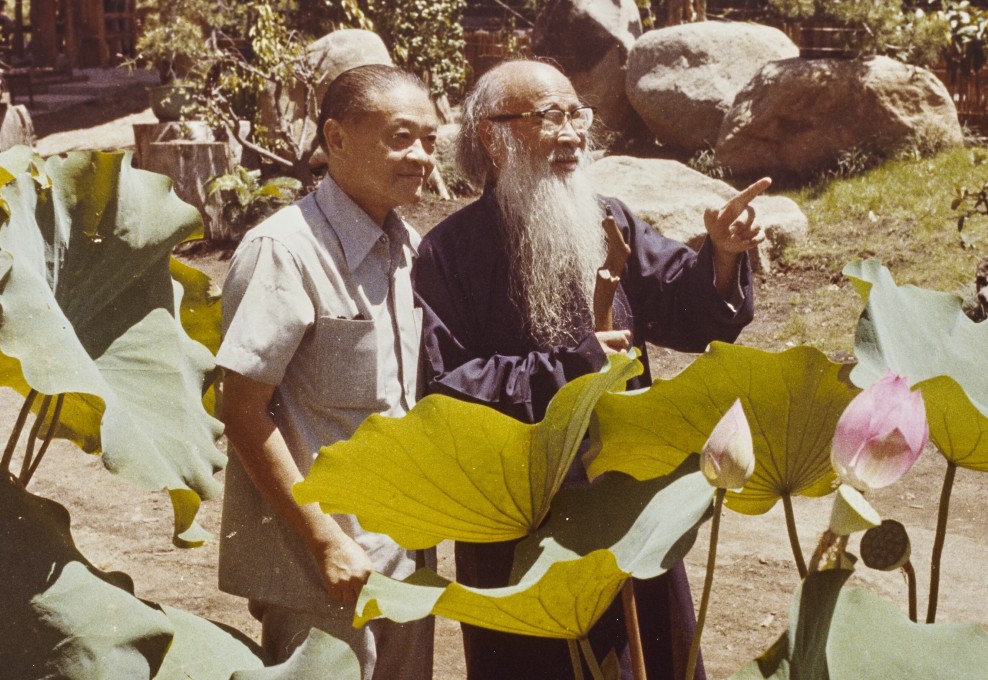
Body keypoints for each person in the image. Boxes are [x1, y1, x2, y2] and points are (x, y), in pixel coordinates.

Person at [413, 59, 771, 679]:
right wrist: (573, 366)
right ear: (494, 137)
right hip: (518, 515)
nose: (573, 132)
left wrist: (720, 256)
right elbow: (447, 386)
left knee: (650, 658)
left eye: (577, 112)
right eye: (551, 116)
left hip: (628, 498)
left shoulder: (609, 218)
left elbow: (685, 307)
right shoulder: (448, 253)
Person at [215, 64, 438, 679]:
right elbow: (242, 411)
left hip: (404, 556)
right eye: (401, 137)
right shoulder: (284, 250)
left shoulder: (409, 248)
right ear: (336, 139)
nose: (421, 155)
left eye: (430, 139)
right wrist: (324, 541)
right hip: (321, 569)